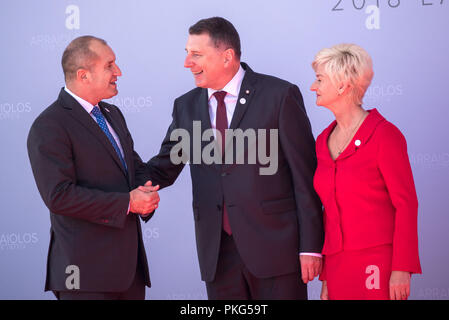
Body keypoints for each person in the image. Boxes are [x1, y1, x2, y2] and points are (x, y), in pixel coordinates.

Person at [137, 17, 324, 299]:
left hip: (276, 252)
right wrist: (120, 177)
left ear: (227, 56)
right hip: (218, 256)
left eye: (196, 54)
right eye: (187, 53)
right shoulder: (186, 106)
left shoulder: (280, 95)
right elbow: (165, 167)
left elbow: (305, 176)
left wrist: (310, 246)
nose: (187, 63)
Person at [27, 36, 160, 300]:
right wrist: (128, 203)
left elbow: (132, 167)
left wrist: (146, 189)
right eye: (110, 65)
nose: (118, 72)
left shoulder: (112, 114)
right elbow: (59, 196)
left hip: (129, 274)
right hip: (83, 277)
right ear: (83, 75)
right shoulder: (49, 125)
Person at [310, 43, 422, 300]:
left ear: (342, 85)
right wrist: (326, 277)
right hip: (338, 264)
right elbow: (329, 212)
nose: (312, 87)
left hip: (378, 263)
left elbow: (406, 204)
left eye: (319, 79)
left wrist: (401, 269)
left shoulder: (385, 135)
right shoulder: (322, 141)